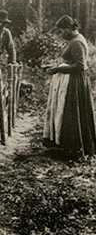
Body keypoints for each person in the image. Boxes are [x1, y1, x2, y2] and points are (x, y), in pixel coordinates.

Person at [43, 15, 96, 160]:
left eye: (61, 31)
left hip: (74, 82)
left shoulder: (77, 42)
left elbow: (80, 66)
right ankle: (67, 145)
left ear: (68, 28)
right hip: (69, 80)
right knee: (66, 112)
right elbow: (69, 61)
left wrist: (59, 69)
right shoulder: (72, 40)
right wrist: (56, 67)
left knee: (72, 113)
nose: (61, 34)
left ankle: (74, 148)